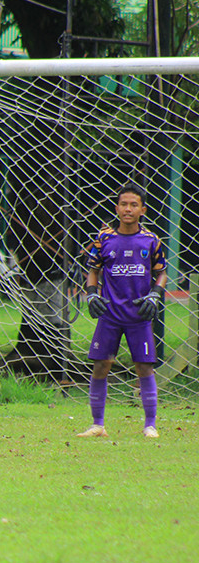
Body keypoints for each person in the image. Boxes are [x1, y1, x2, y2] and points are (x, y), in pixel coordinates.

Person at [79, 183, 167, 439]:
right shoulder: (104, 238)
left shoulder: (151, 241)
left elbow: (162, 273)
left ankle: (150, 425)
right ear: (117, 208)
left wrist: (155, 294)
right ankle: (98, 425)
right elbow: (93, 270)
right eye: (124, 204)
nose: (128, 209)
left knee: (144, 368)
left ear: (143, 210)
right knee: (101, 365)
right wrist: (92, 293)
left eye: (134, 205)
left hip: (138, 316)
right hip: (110, 315)